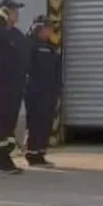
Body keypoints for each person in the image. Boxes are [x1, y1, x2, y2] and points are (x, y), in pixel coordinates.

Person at [0, 0, 29, 175]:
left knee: (9, 123)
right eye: (12, 10)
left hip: (15, 86)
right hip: (0, 86)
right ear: (3, 12)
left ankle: (5, 155)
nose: (16, 14)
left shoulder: (17, 34)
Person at [23, 15, 62, 168]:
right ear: (39, 28)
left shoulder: (52, 48)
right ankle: (32, 154)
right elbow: (26, 67)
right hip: (34, 91)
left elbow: (57, 71)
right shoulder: (30, 45)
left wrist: (57, 89)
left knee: (46, 123)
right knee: (35, 122)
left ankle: (40, 153)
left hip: (49, 92)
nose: (50, 30)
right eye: (47, 27)